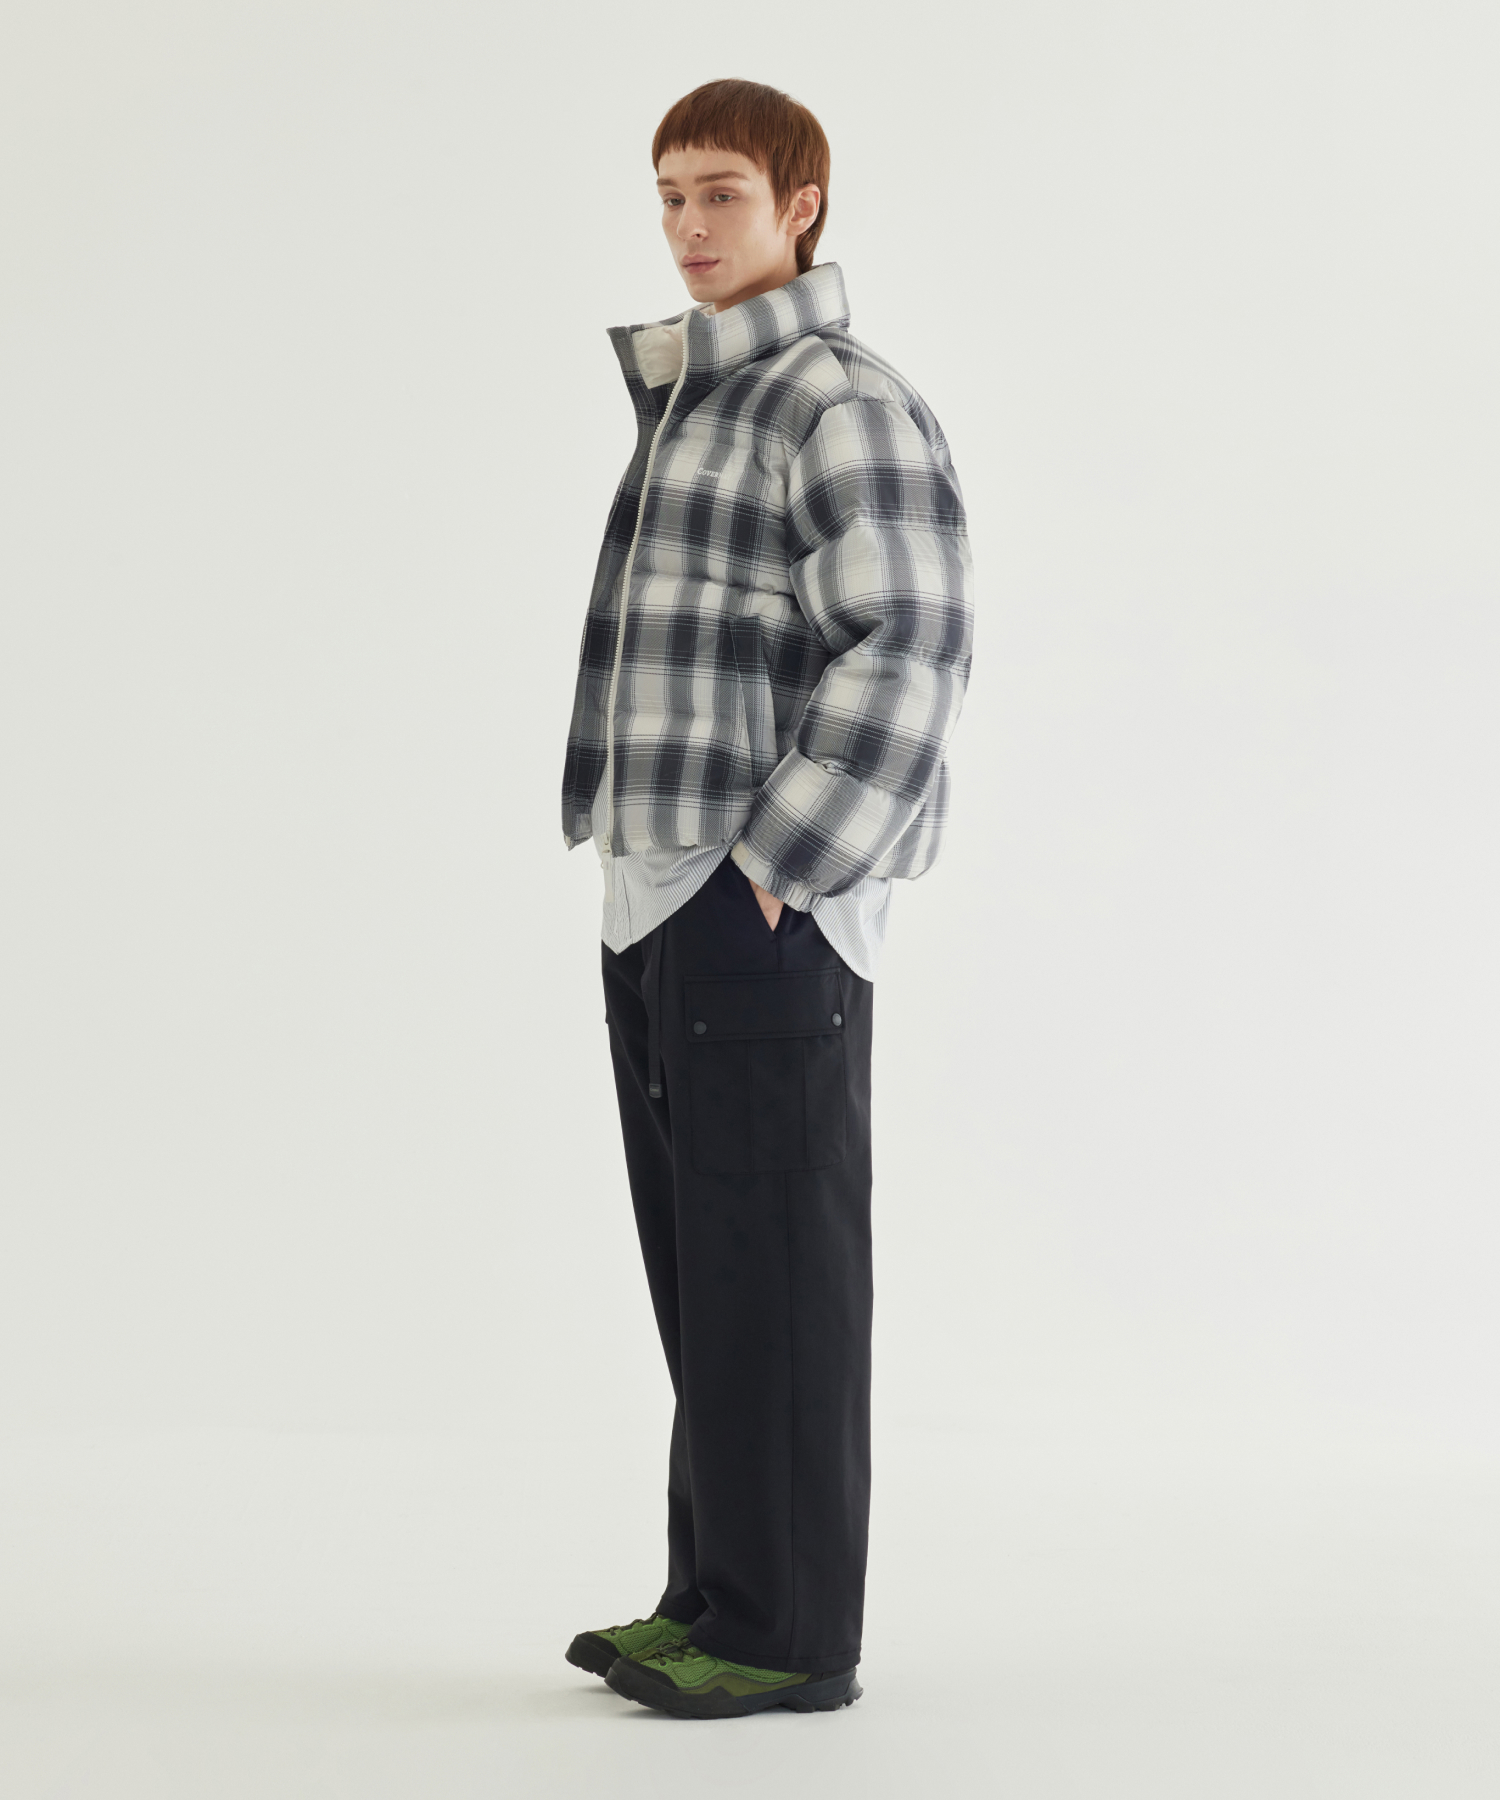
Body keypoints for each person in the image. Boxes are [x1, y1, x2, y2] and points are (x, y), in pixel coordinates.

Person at [558, 77, 973, 1720]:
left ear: (801, 206)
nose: (688, 225)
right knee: (708, 1267)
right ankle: (717, 1597)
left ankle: (789, 1637)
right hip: (657, 889)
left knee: (777, 1268)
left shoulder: (835, 398)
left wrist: (777, 869)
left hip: (755, 899)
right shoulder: (698, 399)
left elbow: (912, 644)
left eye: (720, 192)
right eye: (670, 195)